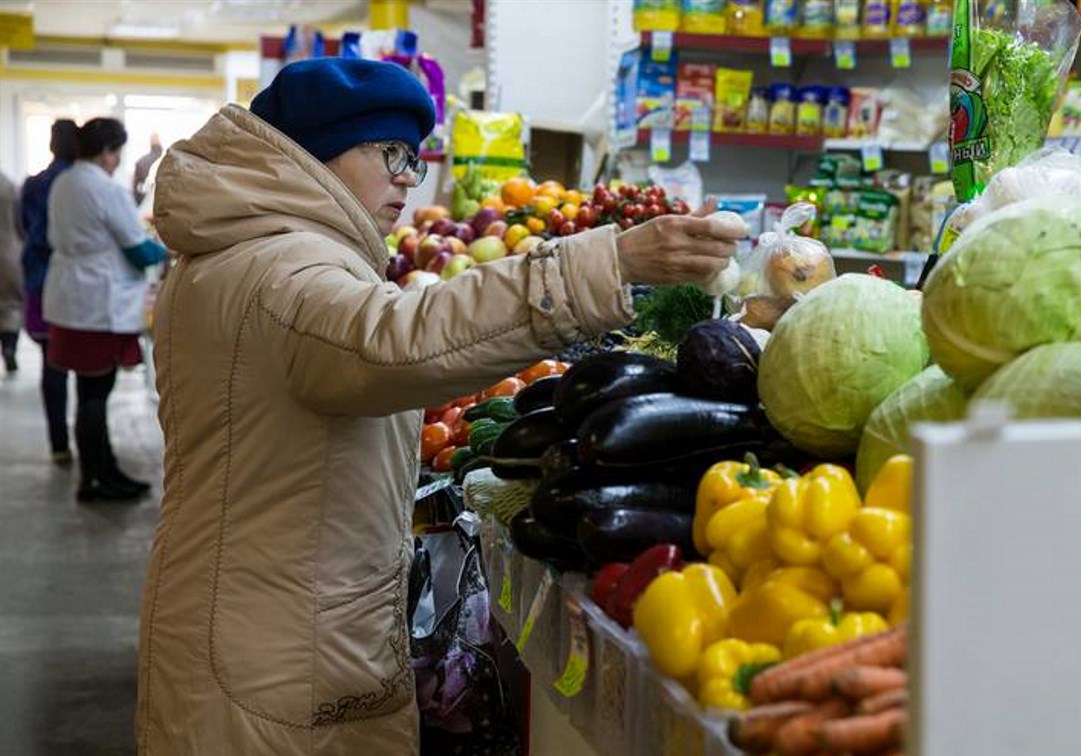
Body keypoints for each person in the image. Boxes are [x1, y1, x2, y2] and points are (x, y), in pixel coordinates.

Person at [137, 58, 740, 755]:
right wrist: (609, 263)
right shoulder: (284, 274)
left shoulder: (237, 252)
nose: (405, 174)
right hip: (278, 653)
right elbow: (399, 342)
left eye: (414, 157)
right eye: (388, 151)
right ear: (312, 153)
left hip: (255, 620)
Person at [44, 117, 167, 502]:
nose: (118, 160)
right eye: (116, 152)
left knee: (87, 390)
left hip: (71, 295)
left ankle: (100, 471)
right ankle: (97, 478)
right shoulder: (105, 189)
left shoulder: (64, 181)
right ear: (107, 151)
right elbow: (136, 247)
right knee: (97, 391)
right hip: (97, 299)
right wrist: (170, 249)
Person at [20, 119, 76, 463]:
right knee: (87, 369)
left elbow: (23, 227)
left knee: (50, 362)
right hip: (68, 282)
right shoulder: (78, 181)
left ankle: (58, 444)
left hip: (36, 277)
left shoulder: (33, 183)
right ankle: (93, 449)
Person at [0, 173, 22, 373]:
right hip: (8, 251)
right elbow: (21, 222)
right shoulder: (9, 185)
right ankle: (9, 347)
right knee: (11, 306)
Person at [131, 133, 162, 207]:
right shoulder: (168, 160)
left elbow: (136, 190)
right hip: (163, 208)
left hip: (144, 207)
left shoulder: (141, 162)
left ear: (150, 144)